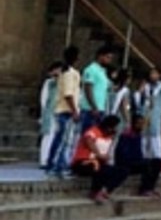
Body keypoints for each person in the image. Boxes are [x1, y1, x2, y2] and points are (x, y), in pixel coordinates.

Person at [71, 115, 127, 203]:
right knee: (97, 165)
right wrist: (99, 154)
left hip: (99, 163)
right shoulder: (93, 131)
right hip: (82, 162)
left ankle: (105, 191)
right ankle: (94, 192)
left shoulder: (109, 137)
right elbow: (89, 140)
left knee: (122, 170)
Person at [45, 46, 82, 177]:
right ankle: (55, 166)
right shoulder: (68, 73)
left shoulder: (68, 72)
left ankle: (58, 165)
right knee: (62, 140)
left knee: (63, 139)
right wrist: (74, 111)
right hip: (65, 110)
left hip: (66, 110)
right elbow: (68, 94)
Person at [115, 114, 161, 196]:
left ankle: (150, 188)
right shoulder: (126, 135)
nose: (141, 126)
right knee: (146, 164)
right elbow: (123, 154)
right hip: (127, 164)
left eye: (142, 124)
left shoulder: (139, 135)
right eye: (138, 124)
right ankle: (144, 189)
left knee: (158, 162)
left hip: (137, 161)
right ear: (133, 124)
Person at [80, 44, 117, 132]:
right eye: (108, 57)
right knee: (87, 135)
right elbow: (88, 88)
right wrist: (93, 107)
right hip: (90, 109)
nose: (109, 60)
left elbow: (109, 88)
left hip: (101, 108)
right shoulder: (91, 69)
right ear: (100, 56)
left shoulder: (103, 72)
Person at [139, 67, 161, 166]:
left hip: (156, 114)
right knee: (144, 135)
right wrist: (141, 88)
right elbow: (139, 96)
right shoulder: (147, 86)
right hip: (145, 113)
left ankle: (157, 158)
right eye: (151, 74)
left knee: (155, 135)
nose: (152, 76)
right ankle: (144, 157)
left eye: (155, 73)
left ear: (159, 75)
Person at [38, 61, 62, 168]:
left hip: (61, 112)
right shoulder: (49, 83)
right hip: (50, 113)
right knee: (48, 136)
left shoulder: (65, 82)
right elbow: (44, 99)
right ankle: (44, 160)